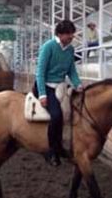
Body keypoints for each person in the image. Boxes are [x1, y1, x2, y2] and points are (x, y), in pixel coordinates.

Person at [34, 20, 82, 166]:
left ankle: (59, 147)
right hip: (46, 86)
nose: (71, 36)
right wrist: (42, 94)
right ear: (60, 34)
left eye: (72, 34)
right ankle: (50, 151)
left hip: (61, 86)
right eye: (68, 34)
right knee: (56, 115)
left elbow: (71, 70)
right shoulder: (48, 47)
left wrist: (78, 83)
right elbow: (40, 72)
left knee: (71, 112)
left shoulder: (70, 49)